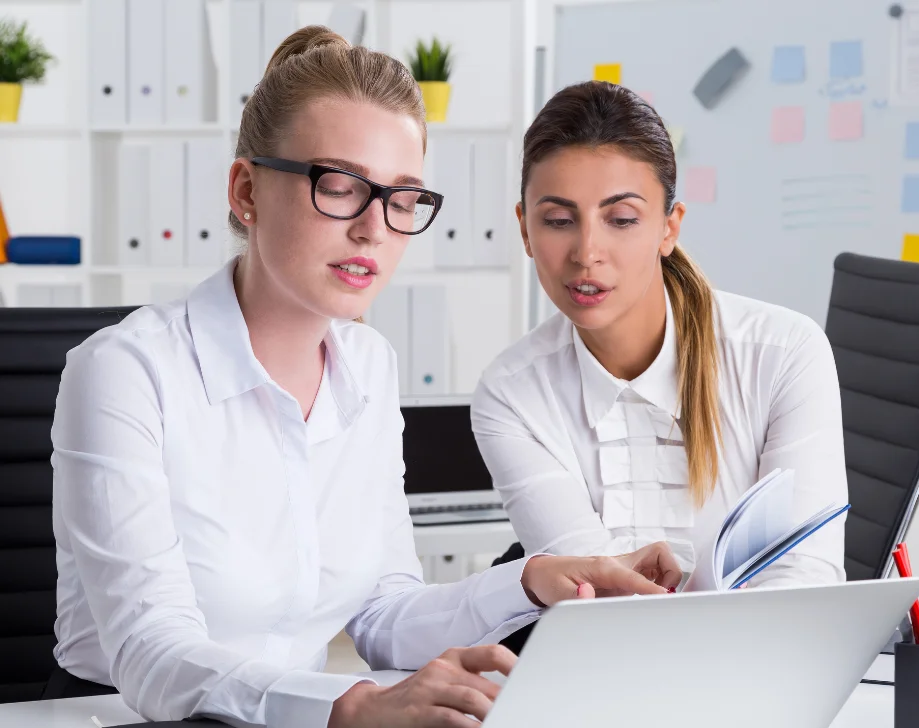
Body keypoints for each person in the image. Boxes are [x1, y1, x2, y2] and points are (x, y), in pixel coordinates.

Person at [48, 30, 682, 728]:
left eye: (402, 199)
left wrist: (533, 584)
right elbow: (152, 652)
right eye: (341, 187)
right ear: (246, 190)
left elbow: (383, 615)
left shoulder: (368, 367)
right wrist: (347, 708)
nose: (374, 229)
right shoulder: (127, 372)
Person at [471, 81, 848, 652]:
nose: (586, 252)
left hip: (762, 674)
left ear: (668, 227)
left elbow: (804, 580)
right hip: (606, 678)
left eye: (620, 219)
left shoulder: (785, 353)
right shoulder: (512, 393)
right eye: (558, 220)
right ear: (525, 228)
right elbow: (593, 601)